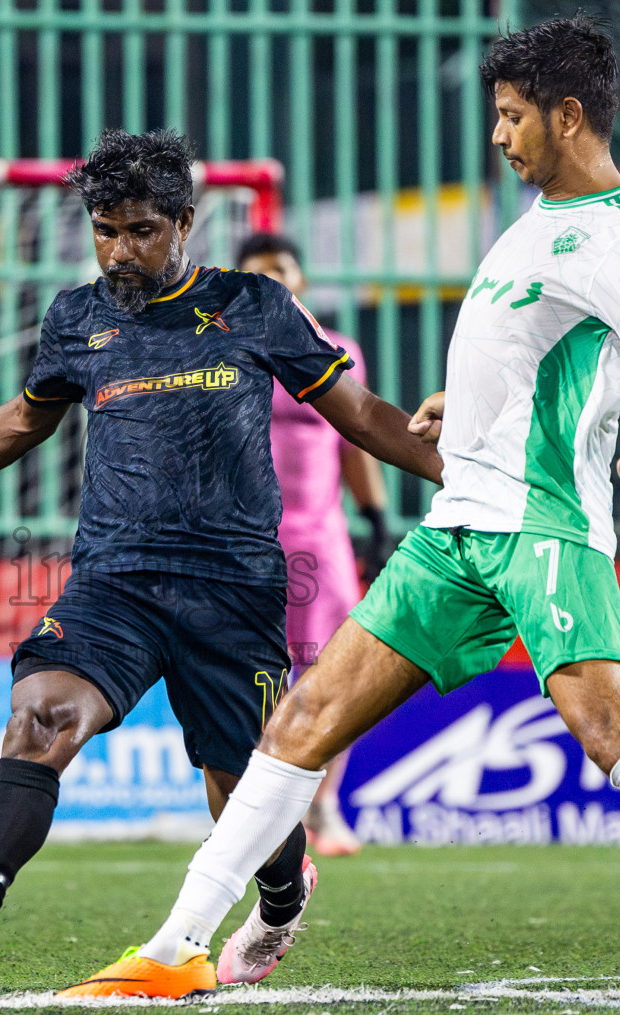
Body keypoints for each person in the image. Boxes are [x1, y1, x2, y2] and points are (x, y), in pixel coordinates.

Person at [67, 16, 620, 1007]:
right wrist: (471, 407)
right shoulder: (537, 220)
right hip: (457, 527)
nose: (498, 134)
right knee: (303, 720)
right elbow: (533, 355)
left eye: (511, 115)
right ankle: (178, 943)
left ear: (567, 116)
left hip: (541, 526)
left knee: (609, 728)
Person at [0, 128, 444, 997]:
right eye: (105, 231)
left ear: (184, 223)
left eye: (141, 231)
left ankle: (284, 897)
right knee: (42, 716)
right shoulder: (77, 317)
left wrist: (464, 473)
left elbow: (358, 413)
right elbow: (24, 420)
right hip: (114, 580)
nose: (120, 251)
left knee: (243, 791)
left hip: (232, 590)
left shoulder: (255, 304)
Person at [238, 232, 387, 858]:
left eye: (281, 267)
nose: (273, 278)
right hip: (247, 539)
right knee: (248, 672)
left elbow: (356, 440)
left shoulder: (337, 350)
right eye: (259, 272)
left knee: (335, 671)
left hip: (321, 541)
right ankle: (252, 808)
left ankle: (324, 804)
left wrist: (376, 518)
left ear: (299, 277)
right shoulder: (229, 353)